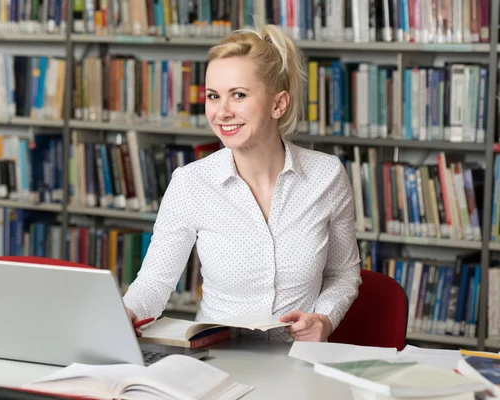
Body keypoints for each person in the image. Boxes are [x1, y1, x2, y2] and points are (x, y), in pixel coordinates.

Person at [123, 24, 362, 342]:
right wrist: (123, 316)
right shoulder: (190, 183)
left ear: (278, 104)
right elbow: (154, 281)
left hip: (298, 363)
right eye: (213, 96)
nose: (221, 112)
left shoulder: (327, 176)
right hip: (216, 357)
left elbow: (343, 273)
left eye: (238, 95)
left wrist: (325, 319)